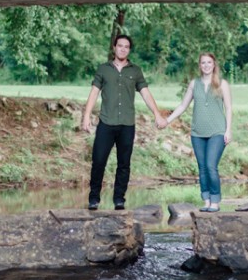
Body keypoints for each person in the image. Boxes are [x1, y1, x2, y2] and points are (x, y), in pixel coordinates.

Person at [81, 34, 166, 210]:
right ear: (114, 47)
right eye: (120, 46)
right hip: (106, 122)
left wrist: (157, 114)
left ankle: (119, 199)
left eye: (126, 47)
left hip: (127, 124)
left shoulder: (135, 71)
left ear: (129, 50)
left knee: (124, 163)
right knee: (98, 161)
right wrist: (86, 115)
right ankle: (94, 198)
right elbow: (94, 92)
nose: (123, 49)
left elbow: (146, 94)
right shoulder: (103, 69)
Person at [164, 52, 233, 212]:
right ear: (200, 65)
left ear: (214, 64)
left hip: (217, 131)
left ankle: (215, 201)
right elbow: (183, 106)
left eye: (209, 62)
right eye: (203, 63)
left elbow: (228, 108)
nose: (206, 65)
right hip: (197, 133)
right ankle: (206, 200)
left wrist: (228, 130)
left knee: (210, 166)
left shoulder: (222, 84)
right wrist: (167, 121)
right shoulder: (194, 84)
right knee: (202, 168)